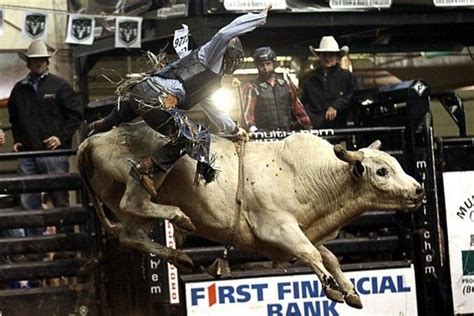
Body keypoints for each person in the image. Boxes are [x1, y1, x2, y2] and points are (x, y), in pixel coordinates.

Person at [88, 4, 272, 198]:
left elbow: (214, 111)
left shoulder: (208, 80)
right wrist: (259, 17)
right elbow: (224, 34)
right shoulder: (211, 55)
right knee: (194, 137)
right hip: (158, 100)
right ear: (229, 57)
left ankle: (102, 124)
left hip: (142, 89)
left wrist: (234, 129)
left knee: (133, 105)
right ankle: (147, 166)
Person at [7, 40, 83, 236]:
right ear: (29, 63)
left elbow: (76, 115)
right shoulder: (19, 90)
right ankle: (37, 246)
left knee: (59, 197)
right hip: (29, 152)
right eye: (36, 60)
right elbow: (14, 119)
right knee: (28, 200)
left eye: (43, 60)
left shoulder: (59, 86)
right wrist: (17, 139)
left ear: (47, 62)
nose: (40, 63)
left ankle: (66, 243)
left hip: (53, 152)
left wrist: (61, 137)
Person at [243, 46, 311, 132]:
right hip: (264, 136)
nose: (265, 68)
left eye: (268, 63)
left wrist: (306, 125)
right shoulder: (252, 87)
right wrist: (254, 130)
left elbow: (297, 108)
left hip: (287, 134)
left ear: (273, 64)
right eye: (262, 65)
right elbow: (248, 114)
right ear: (258, 67)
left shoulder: (286, 84)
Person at [300, 36, 358, 129]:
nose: (327, 58)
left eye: (330, 55)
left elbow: (352, 96)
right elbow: (303, 102)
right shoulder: (309, 78)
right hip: (315, 127)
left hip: (339, 125)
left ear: (337, 56)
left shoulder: (347, 77)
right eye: (324, 55)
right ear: (319, 56)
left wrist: (336, 105)